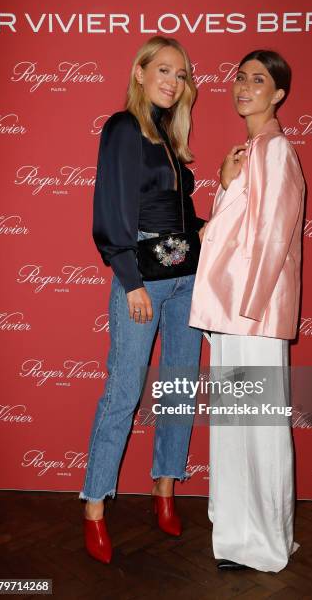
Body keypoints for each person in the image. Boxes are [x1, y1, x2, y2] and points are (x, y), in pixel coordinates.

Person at [80, 36, 205, 564]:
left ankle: (165, 490)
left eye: (180, 74)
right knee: (124, 391)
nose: (172, 82)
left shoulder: (171, 140)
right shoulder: (123, 128)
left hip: (188, 282)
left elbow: (175, 218)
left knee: (179, 387)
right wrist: (129, 281)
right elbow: (111, 209)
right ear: (139, 72)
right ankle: (93, 508)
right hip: (145, 282)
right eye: (163, 70)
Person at [189, 50, 305, 572]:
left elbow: (273, 237)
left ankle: (266, 541)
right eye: (239, 77)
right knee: (236, 427)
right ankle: (237, 535)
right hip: (232, 312)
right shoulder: (248, 151)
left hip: (252, 313)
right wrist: (223, 180)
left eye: (258, 80)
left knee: (259, 427)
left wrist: (249, 309)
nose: (244, 87)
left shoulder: (278, 150)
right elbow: (227, 233)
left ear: (278, 93)